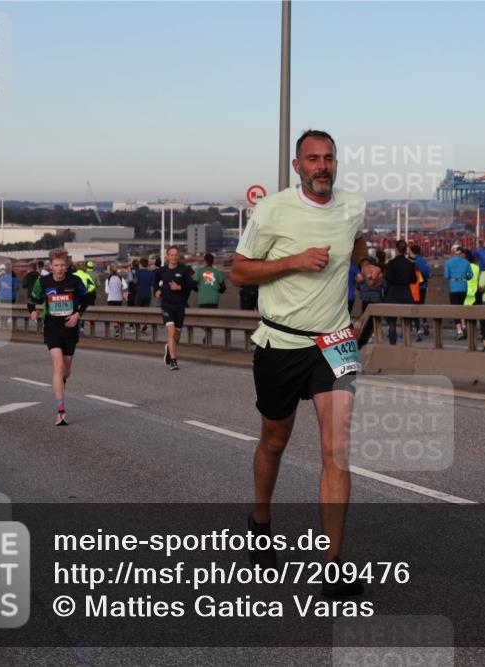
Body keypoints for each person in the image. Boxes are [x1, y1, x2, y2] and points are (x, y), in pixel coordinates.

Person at [231, 129, 372, 597]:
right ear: (297, 166)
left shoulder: (353, 205)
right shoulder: (272, 210)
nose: (322, 167)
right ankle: (260, 520)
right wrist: (293, 261)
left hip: (334, 342)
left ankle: (333, 563)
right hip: (281, 342)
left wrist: (366, 263)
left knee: (337, 447)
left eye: (329, 158)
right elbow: (240, 270)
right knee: (275, 440)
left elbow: (356, 239)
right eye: (312, 159)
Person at [28, 250, 90, 425]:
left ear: (67, 265)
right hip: (52, 328)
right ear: (51, 266)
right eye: (56, 265)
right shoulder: (43, 282)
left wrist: (78, 314)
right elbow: (31, 301)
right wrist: (32, 311)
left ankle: (62, 382)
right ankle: (60, 411)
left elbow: (87, 299)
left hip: (71, 329)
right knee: (59, 365)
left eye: (62, 265)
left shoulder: (75, 281)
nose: (60, 268)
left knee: (66, 371)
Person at [154, 245, 196, 370]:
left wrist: (180, 288)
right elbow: (155, 282)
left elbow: (192, 285)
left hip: (180, 306)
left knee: (176, 336)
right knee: (171, 333)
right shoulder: (161, 271)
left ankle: (169, 348)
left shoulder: (184, 270)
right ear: (167, 257)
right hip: (167, 305)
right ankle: (174, 361)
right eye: (171, 255)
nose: (174, 257)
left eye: (176, 255)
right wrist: (156, 291)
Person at [383, 239, 417, 345]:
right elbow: (414, 280)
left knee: (392, 323)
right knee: (406, 322)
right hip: (406, 294)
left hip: (393, 294)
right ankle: (407, 344)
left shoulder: (391, 263)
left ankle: (393, 344)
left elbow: (388, 278)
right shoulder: (410, 264)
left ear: (396, 249)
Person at [443, 244, 473, 339]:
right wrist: (464, 277)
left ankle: (459, 330)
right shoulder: (466, 262)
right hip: (463, 287)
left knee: (455, 309)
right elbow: (470, 275)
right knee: (463, 308)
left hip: (453, 288)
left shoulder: (448, 262)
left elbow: (447, 276)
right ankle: (464, 326)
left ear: (452, 252)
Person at [410, 244, 431, 335]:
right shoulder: (424, 261)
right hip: (423, 286)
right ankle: (425, 323)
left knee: (414, 306)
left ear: (412, 252)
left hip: (414, 287)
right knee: (421, 305)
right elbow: (428, 274)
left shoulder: (412, 261)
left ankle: (417, 327)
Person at [105, 266, 127, 337]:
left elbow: (107, 291)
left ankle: (116, 329)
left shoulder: (108, 279)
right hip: (119, 299)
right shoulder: (121, 278)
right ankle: (119, 328)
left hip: (111, 299)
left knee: (112, 315)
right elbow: (125, 286)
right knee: (118, 314)